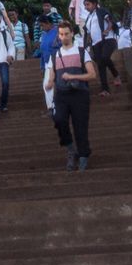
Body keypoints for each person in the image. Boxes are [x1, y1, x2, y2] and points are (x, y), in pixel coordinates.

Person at [43, 20, 98, 170]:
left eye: (67, 33)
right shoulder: (55, 55)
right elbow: (51, 75)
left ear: (72, 34)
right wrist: (49, 83)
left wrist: (74, 77)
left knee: (80, 125)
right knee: (59, 120)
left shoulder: (81, 52)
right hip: (61, 94)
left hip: (80, 93)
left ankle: (83, 155)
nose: (64, 37)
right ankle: (70, 148)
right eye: (61, 34)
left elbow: (92, 74)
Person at [81, 0, 119, 95]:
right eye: (85, 5)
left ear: (94, 4)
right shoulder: (89, 17)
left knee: (105, 57)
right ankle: (105, 89)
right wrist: (86, 45)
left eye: (87, 4)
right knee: (100, 64)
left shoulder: (101, 11)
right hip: (95, 43)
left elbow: (110, 21)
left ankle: (116, 74)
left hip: (108, 39)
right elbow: (88, 33)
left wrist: (107, 30)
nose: (86, 7)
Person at [34, 0, 62, 114]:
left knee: (58, 84)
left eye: (43, 25)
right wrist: (42, 66)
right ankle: (50, 107)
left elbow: (62, 46)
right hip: (46, 63)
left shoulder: (58, 32)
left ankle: (59, 105)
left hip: (57, 61)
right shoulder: (44, 35)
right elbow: (43, 50)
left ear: (49, 23)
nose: (42, 27)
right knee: (47, 85)